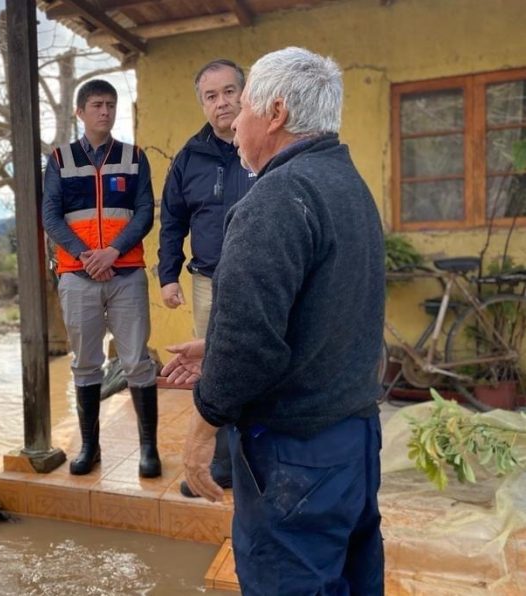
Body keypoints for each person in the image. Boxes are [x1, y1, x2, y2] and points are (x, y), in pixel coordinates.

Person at [163, 47, 385, 595]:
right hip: (352, 438)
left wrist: (200, 430)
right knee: (349, 581)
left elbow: (250, 344)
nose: (234, 122)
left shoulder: (277, 197)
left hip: (295, 456)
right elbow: (316, 314)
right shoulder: (347, 184)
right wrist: (214, 348)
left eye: (244, 107)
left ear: (277, 113)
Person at [42, 79, 161, 478]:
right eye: (96, 104)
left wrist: (113, 251)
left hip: (126, 273)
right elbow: (51, 216)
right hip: (77, 275)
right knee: (86, 364)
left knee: (137, 362)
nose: (105, 111)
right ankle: (90, 448)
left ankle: (149, 450)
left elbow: (144, 211)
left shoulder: (134, 157)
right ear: (80, 111)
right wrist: (85, 256)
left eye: (110, 104)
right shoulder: (60, 160)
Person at [157, 58, 256, 499]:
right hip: (208, 282)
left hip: (261, 281)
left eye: (230, 92)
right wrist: (167, 275)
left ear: (245, 92)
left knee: (261, 364)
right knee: (214, 369)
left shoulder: (264, 147)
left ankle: (258, 462)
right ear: (202, 104)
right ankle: (220, 463)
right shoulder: (189, 158)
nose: (223, 103)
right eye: (212, 96)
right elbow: (172, 220)